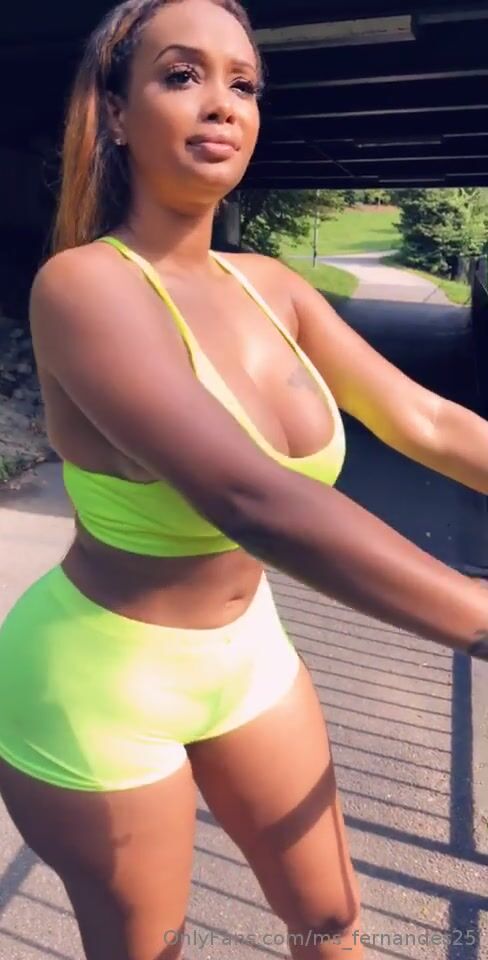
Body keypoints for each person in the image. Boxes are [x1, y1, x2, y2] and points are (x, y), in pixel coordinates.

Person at [0, 1, 486, 958]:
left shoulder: (274, 286)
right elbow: (252, 498)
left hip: (246, 654)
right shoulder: (84, 286)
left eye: (244, 83)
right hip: (99, 680)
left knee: (330, 922)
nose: (222, 103)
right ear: (116, 112)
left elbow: (427, 420)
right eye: (182, 75)